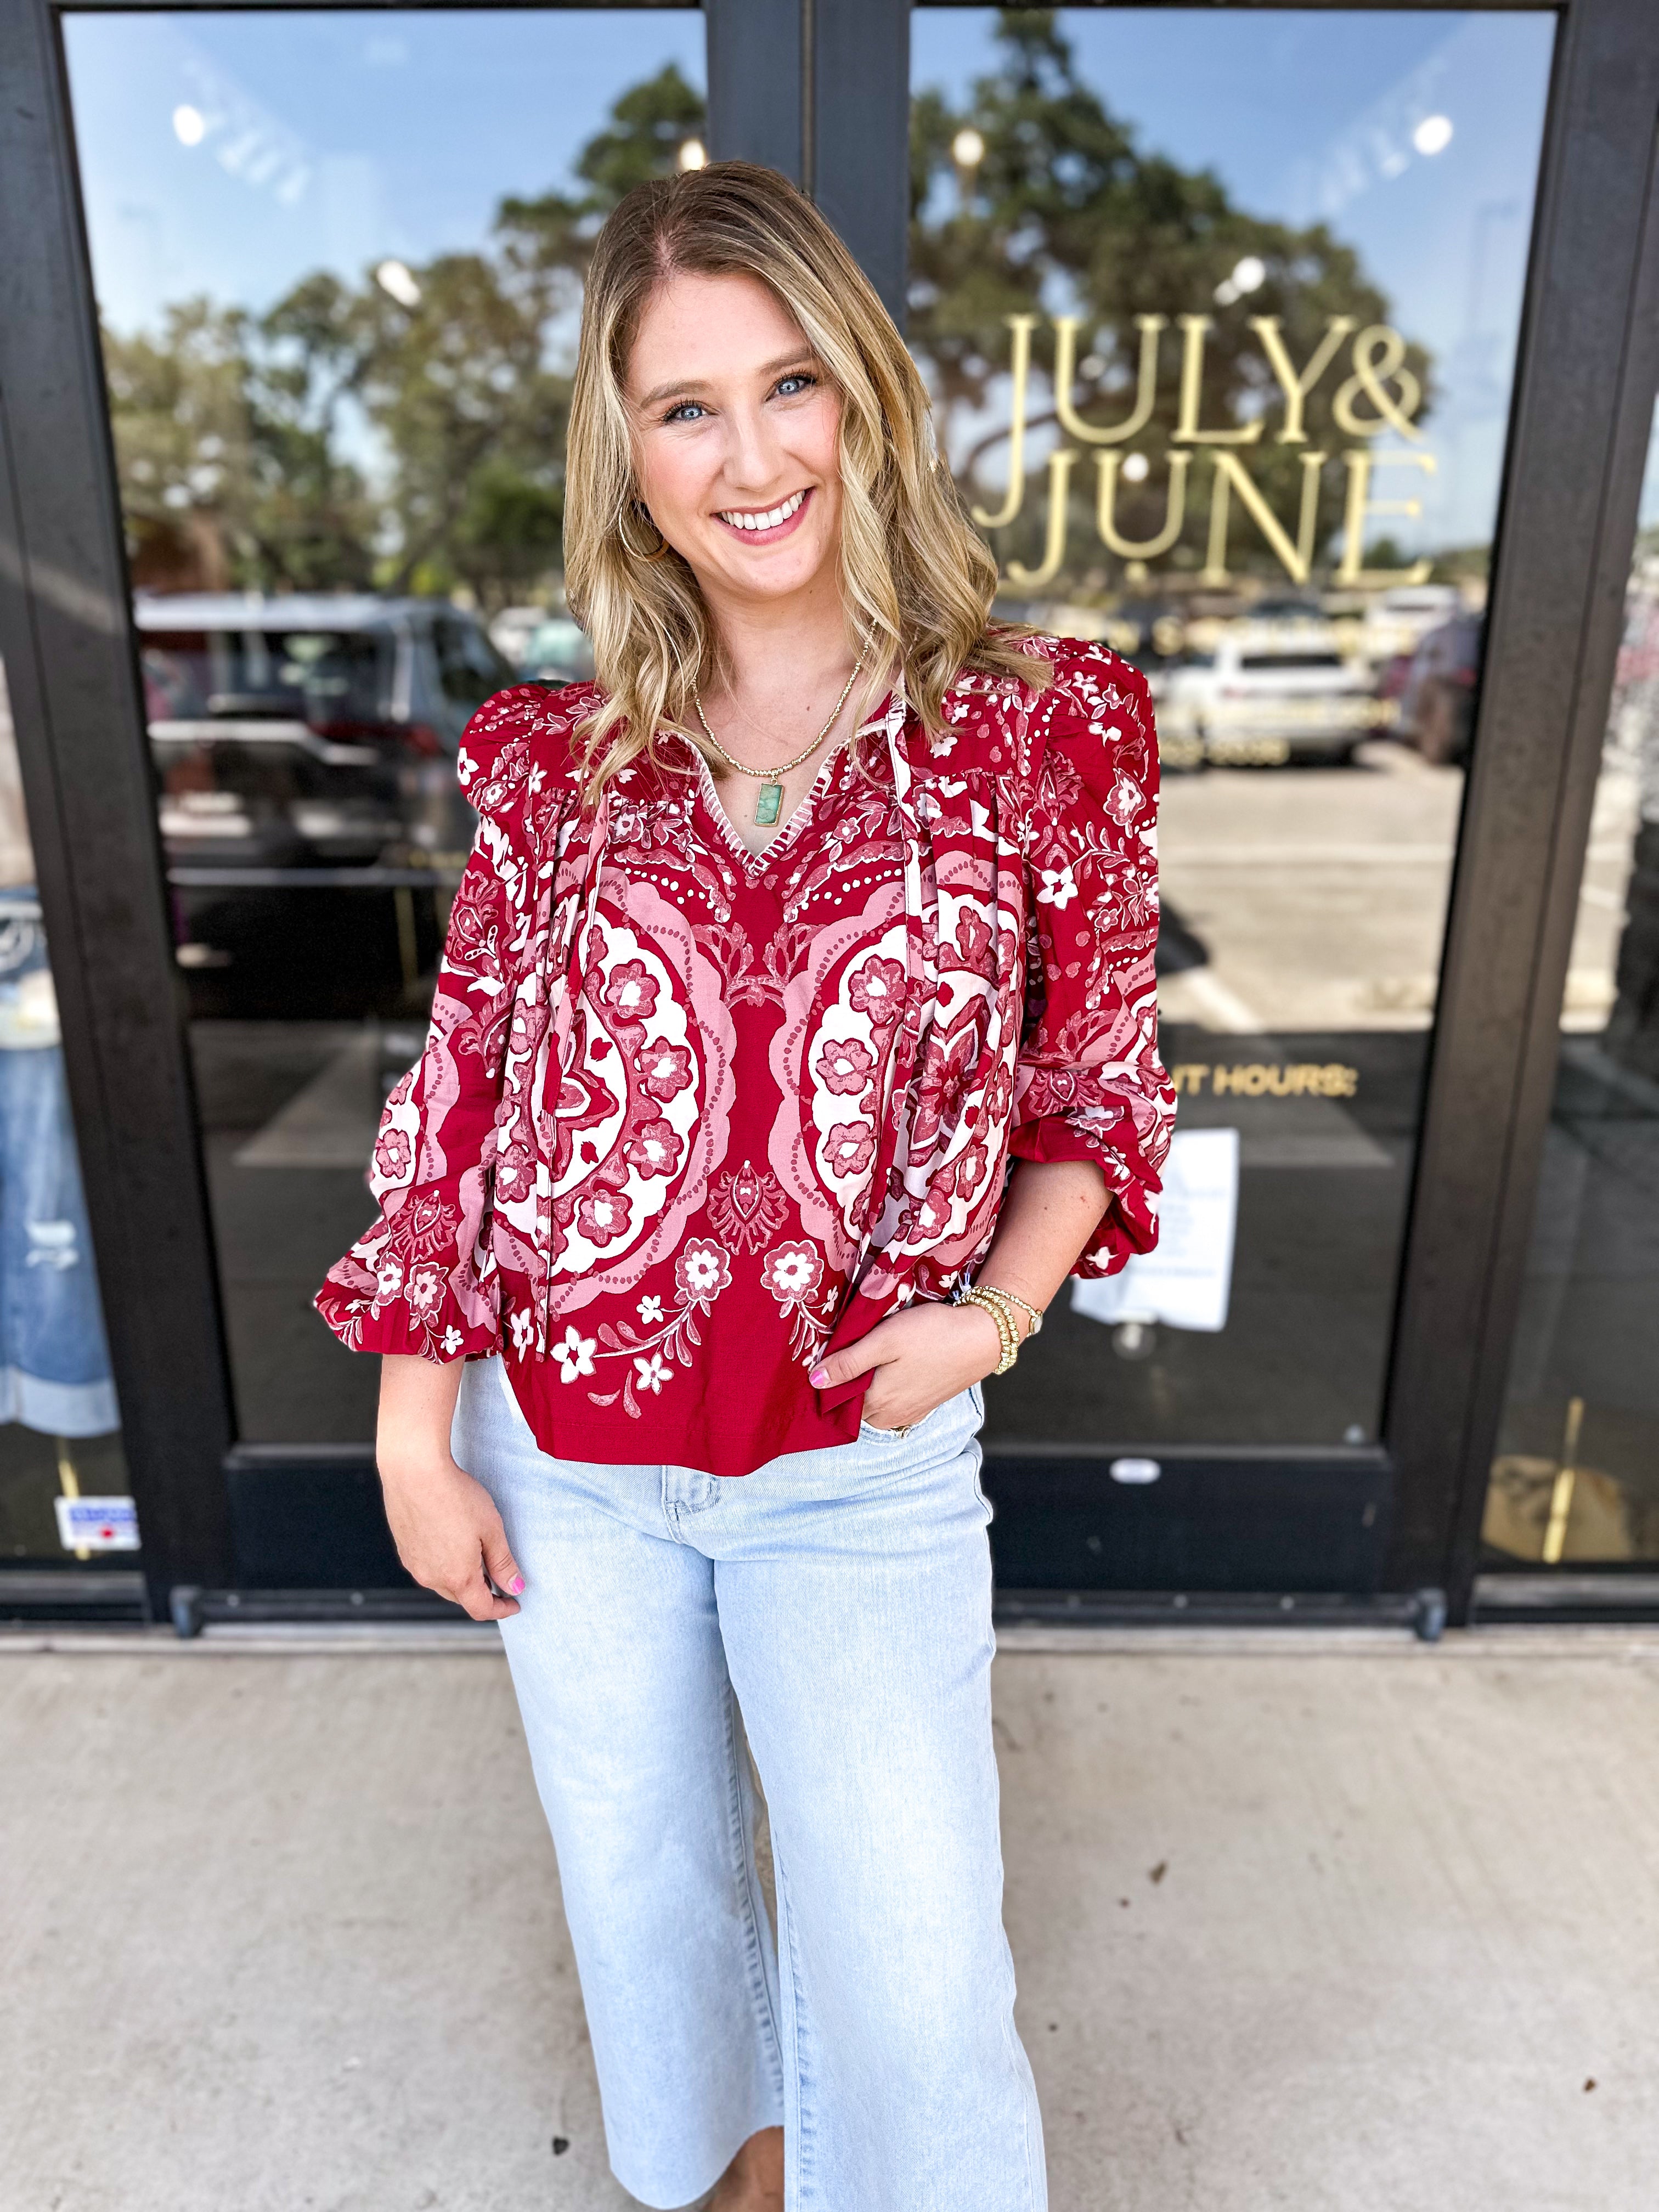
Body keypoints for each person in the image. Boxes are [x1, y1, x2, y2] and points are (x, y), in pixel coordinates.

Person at [317, 160, 1172, 2212]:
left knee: (914, 1966)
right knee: (648, 1903)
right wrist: (416, 1433)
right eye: (686, 408)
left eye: (791, 387)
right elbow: (463, 1111)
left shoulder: (1044, 734)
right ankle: (729, 2185)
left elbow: (1095, 1096)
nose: (751, 454)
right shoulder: (557, 762)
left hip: (857, 1463)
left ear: (867, 400)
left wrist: (991, 1317)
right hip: (568, 1455)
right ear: (630, 459)